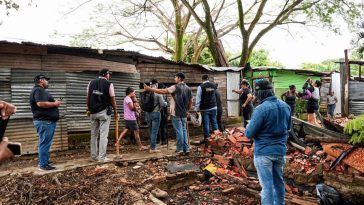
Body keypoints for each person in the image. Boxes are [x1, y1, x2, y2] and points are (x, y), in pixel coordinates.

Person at [245, 79, 291, 205]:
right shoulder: (285, 106)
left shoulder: (260, 109)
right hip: (280, 152)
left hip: (263, 153)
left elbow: (248, 134)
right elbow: (288, 128)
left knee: (267, 187)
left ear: (259, 93)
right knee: (278, 183)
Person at [144, 72, 193, 154]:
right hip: (184, 113)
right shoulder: (188, 88)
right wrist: (187, 110)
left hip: (176, 112)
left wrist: (150, 89)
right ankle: (186, 149)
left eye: (175, 77)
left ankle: (180, 149)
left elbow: (163, 91)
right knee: (184, 130)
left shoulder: (175, 87)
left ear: (179, 78)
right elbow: (191, 100)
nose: (174, 79)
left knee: (179, 131)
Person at [29, 74, 61, 171]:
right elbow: (40, 103)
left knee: (45, 142)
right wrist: (55, 103)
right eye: (46, 80)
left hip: (45, 121)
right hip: (44, 121)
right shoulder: (39, 90)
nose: (48, 82)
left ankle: (44, 161)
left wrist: (54, 103)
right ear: (41, 80)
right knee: (44, 143)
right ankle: (43, 165)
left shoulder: (39, 90)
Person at [87, 68, 118, 162]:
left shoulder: (90, 83)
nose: (109, 76)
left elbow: (88, 97)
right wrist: (116, 112)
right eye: (109, 74)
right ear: (106, 75)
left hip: (93, 112)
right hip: (104, 112)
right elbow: (113, 100)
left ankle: (93, 157)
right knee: (104, 135)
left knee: (94, 135)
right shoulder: (109, 84)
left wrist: (88, 109)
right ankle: (102, 158)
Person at [145, 79, 167, 153]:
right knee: (154, 131)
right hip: (155, 113)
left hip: (147, 114)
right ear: (156, 84)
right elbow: (162, 104)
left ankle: (151, 145)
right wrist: (166, 103)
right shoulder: (158, 93)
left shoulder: (146, 92)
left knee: (150, 130)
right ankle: (153, 148)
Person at [195, 75, 219, 143]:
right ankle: (217, 138)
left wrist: (197, 109)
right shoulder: (213, 85)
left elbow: (198, 98)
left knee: (206, 124)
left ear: (202, 79)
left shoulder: (201, 87)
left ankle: (207, 138)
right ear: (208, 79)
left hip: (205, 109)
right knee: (214, 122)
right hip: (214, 107)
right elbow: (215, 95)